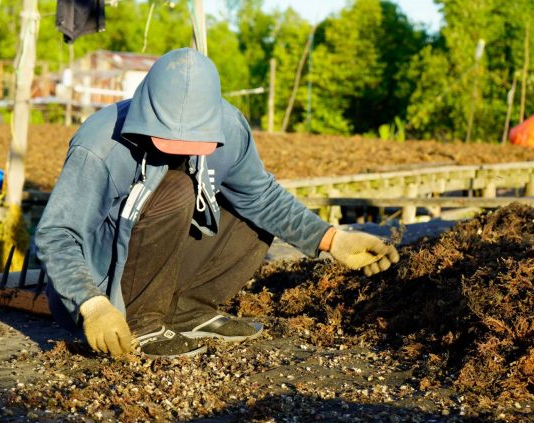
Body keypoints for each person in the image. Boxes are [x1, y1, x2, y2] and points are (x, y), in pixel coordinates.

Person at [35, 48, 399, 358]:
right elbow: (57, 234)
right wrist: (92, 303)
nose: (185, 149)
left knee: (253, 212)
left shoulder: (229, 127)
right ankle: (143, 324)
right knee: (176, 186)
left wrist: (333, 239)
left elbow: (263, 197)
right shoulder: (102, 146)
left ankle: (187, 312)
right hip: (102, 288)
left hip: (160, 261)